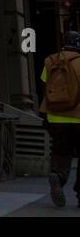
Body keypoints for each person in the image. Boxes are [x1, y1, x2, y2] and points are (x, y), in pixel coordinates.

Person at [40, 31, 80, 207]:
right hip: (78, 116)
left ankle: (58, 175)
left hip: (55, 116)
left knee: (61, 152)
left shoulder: (50, 61)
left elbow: (45, 85)